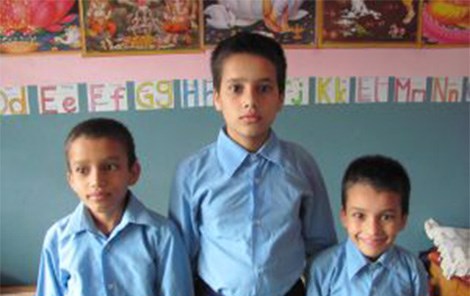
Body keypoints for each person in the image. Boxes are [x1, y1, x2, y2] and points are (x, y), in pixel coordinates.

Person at [169, 32, 337, 296]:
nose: (250, 101)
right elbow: (182, 255)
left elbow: (321, 246)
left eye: (264, 88)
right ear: (216, 98)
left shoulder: (302, 165)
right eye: (236, 88)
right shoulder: (192, 172)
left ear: (281, 97)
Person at [36, 117, 194, 296]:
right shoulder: (58, 239)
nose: (96, 181)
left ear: (133, 172)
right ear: (71, 179)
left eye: (109, 167)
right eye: (82, 170)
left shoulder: (162, 235)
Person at [307, 155, 429, 296]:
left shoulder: (412, 269)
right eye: (360, 215)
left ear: (402, 220)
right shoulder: (323, 268)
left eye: (386, 217)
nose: (372, 230)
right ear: (344, 216)